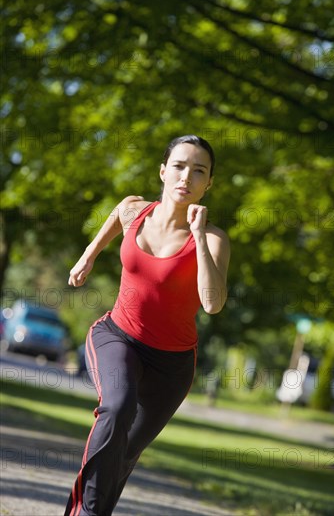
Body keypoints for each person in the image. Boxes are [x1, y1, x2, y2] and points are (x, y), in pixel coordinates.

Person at [64, 134, 230, 516]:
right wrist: (88, 256)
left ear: (209, 184)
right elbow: (114, 218)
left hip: (172, 365)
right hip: (117, 336)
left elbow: (212, 303)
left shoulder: (215, 240)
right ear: (163, 170)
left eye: (199, 171)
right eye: (179, 166)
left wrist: (200, 237)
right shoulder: (133, 210)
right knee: (117, 409)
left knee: (122, 456)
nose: (186, 176)